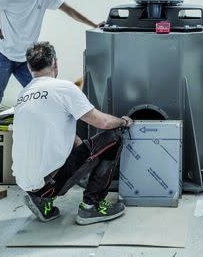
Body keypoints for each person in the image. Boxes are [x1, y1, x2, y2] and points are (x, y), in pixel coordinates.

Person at [12, 41, 134, 224]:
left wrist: (86, 153)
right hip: (50, 184)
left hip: (26, 183)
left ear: (30, 67)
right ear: (54, 62)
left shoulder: (24, 94)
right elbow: (103, 122)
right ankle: (91, 207)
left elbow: (57, 131)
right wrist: (124, 121)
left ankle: (41, 200)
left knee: (84, 147)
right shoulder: (64, 88)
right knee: (114, 136)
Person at [0, 0, 100, 123]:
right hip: (1, 54)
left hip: (26, 59)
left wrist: (94, 25)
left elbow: (70, 11)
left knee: (45, 93)